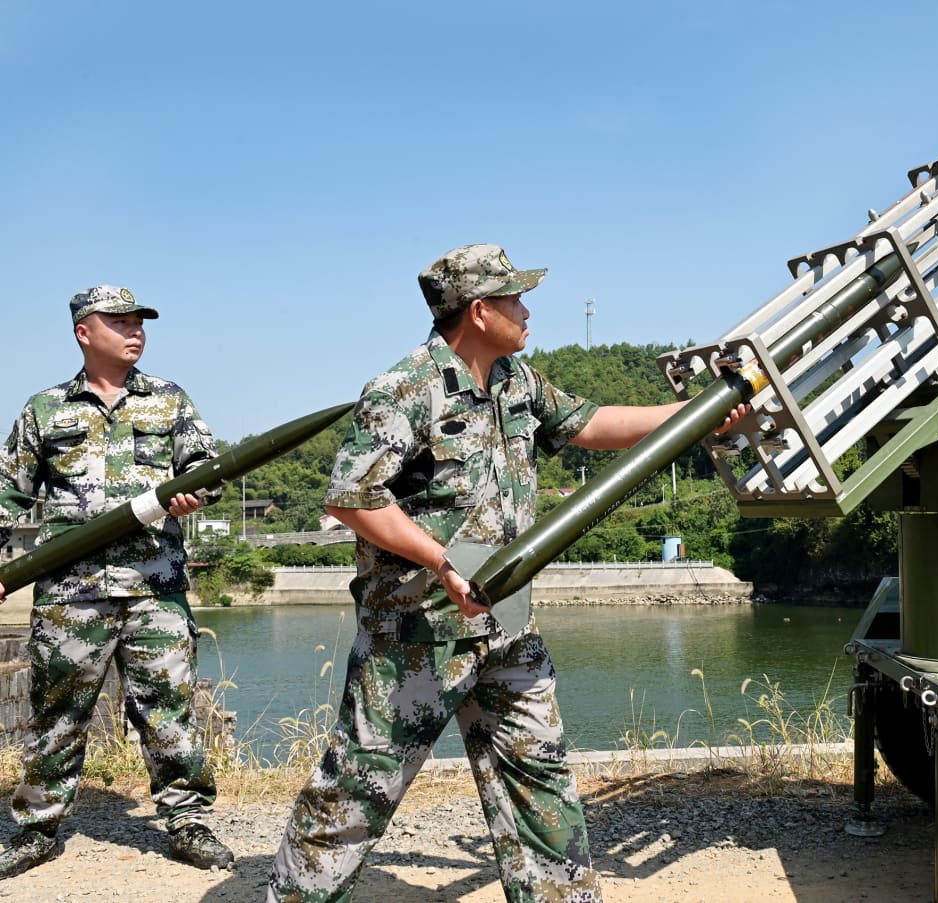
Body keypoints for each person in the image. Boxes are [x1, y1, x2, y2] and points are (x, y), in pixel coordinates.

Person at [268, 244, 747, 902]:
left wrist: (695, 416)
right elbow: (352, 498)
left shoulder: (518, 380)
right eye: (515, 298)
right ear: (480, 309)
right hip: (416, 637)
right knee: (354, 795)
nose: (527, 310)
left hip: (508, 625)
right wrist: (441, 562)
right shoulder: (404, 389)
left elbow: (592, 423)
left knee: (543, 793)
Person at [0, 286, 234, 878]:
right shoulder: (44, 410)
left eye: (140, 322)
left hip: (155, 586)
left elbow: (210, 471)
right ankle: (38, 827)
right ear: (84, 332)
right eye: (120, 322)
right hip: (70, 592)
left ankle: (186, 819)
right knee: (58, 711)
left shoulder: (169, 401)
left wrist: (194, 494)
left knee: (169, 709)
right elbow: (7, 493)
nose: (135, 331)